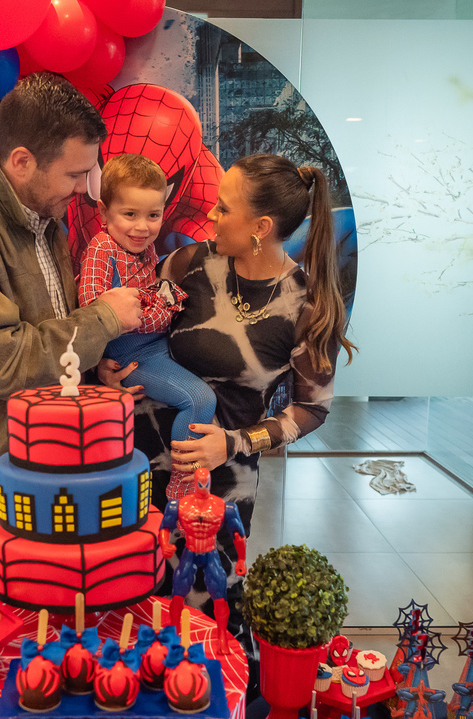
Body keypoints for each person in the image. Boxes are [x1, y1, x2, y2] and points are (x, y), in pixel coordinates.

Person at [102, 153, 356, 642]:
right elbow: (125, 320)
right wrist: (104, 367)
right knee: (129, 610)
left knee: (199, 613)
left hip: (216, 484)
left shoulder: (308, 307)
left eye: (224, 209)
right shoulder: (189, 263)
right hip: (136, 463)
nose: (211, 217)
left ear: (260, 226)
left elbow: (312, 408)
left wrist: (234, 443)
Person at [0, 74, 143, 592]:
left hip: (49, 454)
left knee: (48, 626)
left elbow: (48, 327)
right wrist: (102, 319)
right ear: (21, 162)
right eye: (75, 174)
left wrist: (91, 366)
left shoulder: (39, 217)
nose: (84, 189)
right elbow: (3, 363)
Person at [78, 153, 216, 500]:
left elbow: (152, 302)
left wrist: (157, 304)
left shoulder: (146, 249)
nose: (142, 227)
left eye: (153, 215)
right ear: (103, 211)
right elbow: (95, 310)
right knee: (200, 399)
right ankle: (182, 488)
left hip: (155, 346)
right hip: (134, 354)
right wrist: (160, 307)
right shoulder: (101, 248)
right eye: (130, 214)